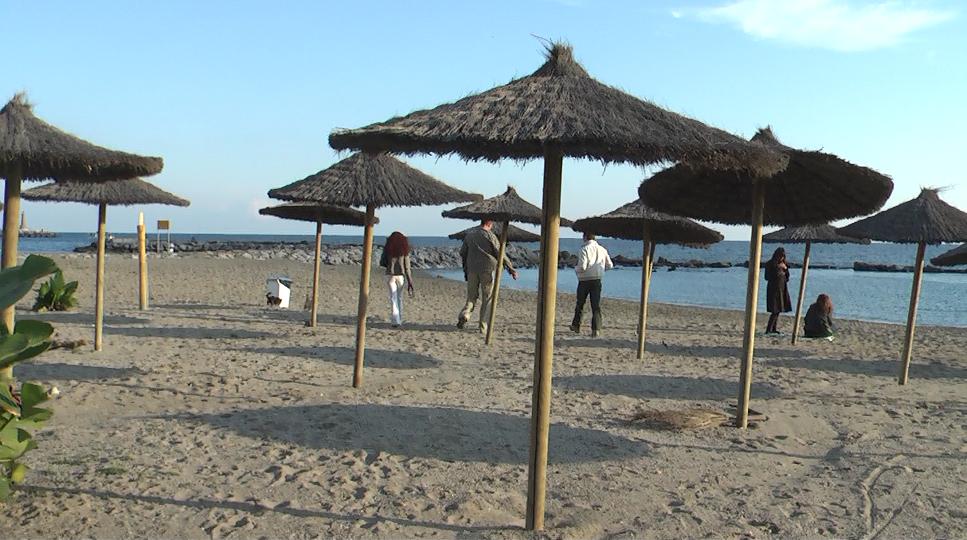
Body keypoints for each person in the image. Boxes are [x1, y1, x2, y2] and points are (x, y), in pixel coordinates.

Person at [457, 219, 518, 332]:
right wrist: (511, 269)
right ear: (489, 223)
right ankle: (483, 326)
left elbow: (462, 252)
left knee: (471, 296)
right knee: (487, 298)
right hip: (488, 269)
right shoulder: (490, 236)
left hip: (472, 269)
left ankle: (465, 314)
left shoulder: (469, 235)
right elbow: (500, 253)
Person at [570, 232, 613, 337]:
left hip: (584, 280)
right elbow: (610, 265)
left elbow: (583, 266)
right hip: (597, 279)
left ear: (585, 237)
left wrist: (576, 269)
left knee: (580, 304)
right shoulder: (602, 249)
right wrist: (601, 270)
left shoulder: (584, 249)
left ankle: (576, 325)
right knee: (596, 305)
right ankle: (596, 328)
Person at [380, 231, 414, 327]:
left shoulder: (388, 249)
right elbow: (407, 267)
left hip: (390, 275)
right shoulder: (404, 250)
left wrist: (390, 263)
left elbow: (382, 262)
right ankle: (400, 318)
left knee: (393, 298)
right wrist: (410, 281)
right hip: (401, 276)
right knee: (399, 297)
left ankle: (396, 320)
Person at [764, 247, 792, 334]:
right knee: (774, 309)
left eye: (783, 257)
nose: (781, 258)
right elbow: (767, 277)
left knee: (779, 309)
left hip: (782, 289)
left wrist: (785, 269)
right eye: (780, 256)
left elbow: (787, 277)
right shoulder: (770, 264)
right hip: (773, 289)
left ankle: (774, 328)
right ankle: (769, 329)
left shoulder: (784, 264)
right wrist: (777, 268)